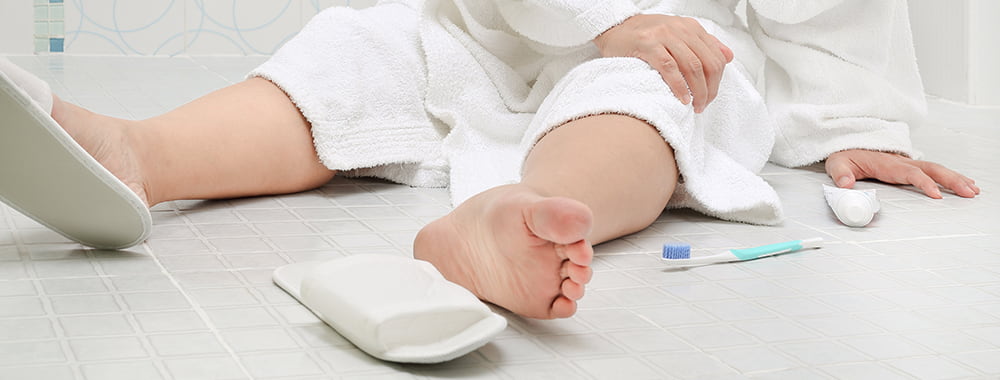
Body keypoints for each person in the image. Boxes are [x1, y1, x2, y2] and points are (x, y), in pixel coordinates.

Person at [1, 0, 980, 320]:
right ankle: (140, 152)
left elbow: (831, 12)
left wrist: (856, 120)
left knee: (644, 100)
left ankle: (523, 214)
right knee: (366, 45)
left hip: (687, 41)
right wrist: (601, 17)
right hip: (511, 26)